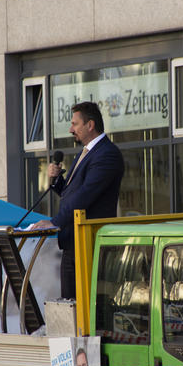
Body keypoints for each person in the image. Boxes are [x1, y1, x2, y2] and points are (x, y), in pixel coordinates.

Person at [32, 101, 124, 299]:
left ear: (90, 125)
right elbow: (72, 194)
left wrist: (55, 222)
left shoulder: (107, 154)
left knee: (83, 308)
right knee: (69, 305)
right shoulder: (87, 152)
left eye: (75, 124)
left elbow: (85, 196)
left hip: (87, 244)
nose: (70, 129)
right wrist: (57, 181)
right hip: (72, 243)